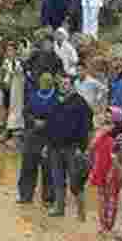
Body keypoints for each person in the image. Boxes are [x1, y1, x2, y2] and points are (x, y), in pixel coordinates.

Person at [46, 75, 93, 220]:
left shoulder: (80, 103)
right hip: (55, 147)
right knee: (58, 179)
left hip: (73, 147)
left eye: (66, 84)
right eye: (61, 84)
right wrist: (47, 145)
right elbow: (50, 124)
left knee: (75, 181)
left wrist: (83, 147)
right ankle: (59, 208)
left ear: (73, 86)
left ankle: (81, 212)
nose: (63, 86)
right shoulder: (56, 101)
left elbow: (86, 127)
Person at [17, 72, 58, 204]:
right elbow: (25, 112)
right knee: (28, 165)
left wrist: (47, 123)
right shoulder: (33, 96)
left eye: (48, 81)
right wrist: (33, 121)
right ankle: (26, 195)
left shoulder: (57, 98)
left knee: (49, 168)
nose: (45, 84)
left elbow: (60, 116)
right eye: (43, 81)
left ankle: (48, 197)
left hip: (50, 137)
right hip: (32, 134)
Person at [90, 107, 122, 241]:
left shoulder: (120, 134)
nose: (107, 115)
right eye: (107, 113)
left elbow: (121, 155)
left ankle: (109, 226)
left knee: (112, 198)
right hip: (100, 167)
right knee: (101, 198)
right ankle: (103, 226)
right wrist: (102, 132)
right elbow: (92, 147)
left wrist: (114, 171)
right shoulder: (101, 130)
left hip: (113, 168)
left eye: (110, 114)